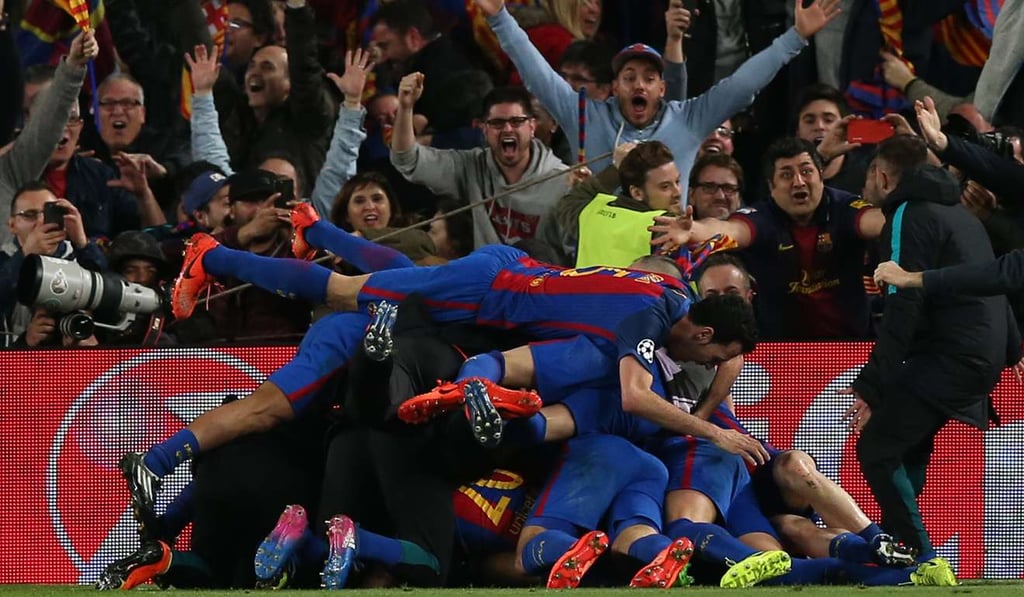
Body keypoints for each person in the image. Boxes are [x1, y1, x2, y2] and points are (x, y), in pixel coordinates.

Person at [839, 133, 1021, 559]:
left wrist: (872, 385)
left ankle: (920, 558)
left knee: (877, 446)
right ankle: (902, 550)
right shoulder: (961, 214)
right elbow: (991, 279)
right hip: (979, 351)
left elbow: (904, 304)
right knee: (906, 445)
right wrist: (1012, 348)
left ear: (882, 176)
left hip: (951, 353)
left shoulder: (906, 213)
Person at [478, 0, 842, 192]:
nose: (639, 85)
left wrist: (794, 37)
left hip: (665, 262)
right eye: (629, 76)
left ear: (663, 88)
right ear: (614, 86)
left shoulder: (688, 118)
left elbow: (743, 84)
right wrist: (500, 20)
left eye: (650, 78)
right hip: (598, 263)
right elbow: (538, 75)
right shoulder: (585, 115)